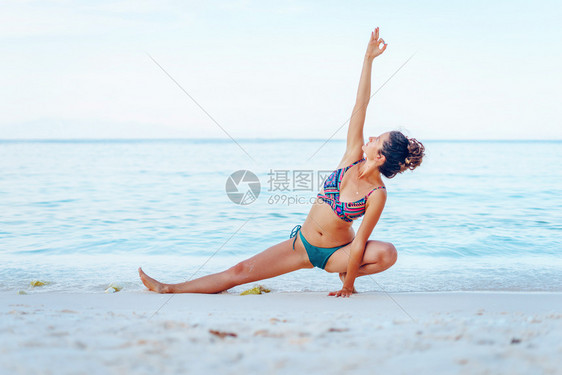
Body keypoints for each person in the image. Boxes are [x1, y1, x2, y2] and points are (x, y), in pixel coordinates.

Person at [138, 27, 425, 297]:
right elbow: (360, 105)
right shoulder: (352, 157)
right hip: (301, 245)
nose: (371, 136)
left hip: (337, 252)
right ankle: (169, 289)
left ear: (381, 156)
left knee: (387, 253)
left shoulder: (377, 194)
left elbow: (361, 240)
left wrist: (348, 284)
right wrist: (368, 60)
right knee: (238, 271)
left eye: (377, 139)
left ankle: (343, 275)